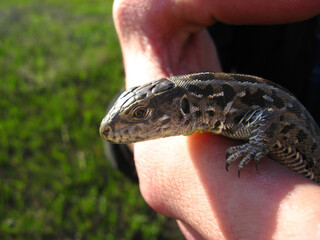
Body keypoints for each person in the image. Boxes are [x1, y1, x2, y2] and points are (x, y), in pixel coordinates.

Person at [111, 0, 320, 239]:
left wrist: (255, 147)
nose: (137, 119)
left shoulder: (229, 113)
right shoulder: (213, 100)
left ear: (185, 106)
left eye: (140, 114)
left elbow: (268, 116)